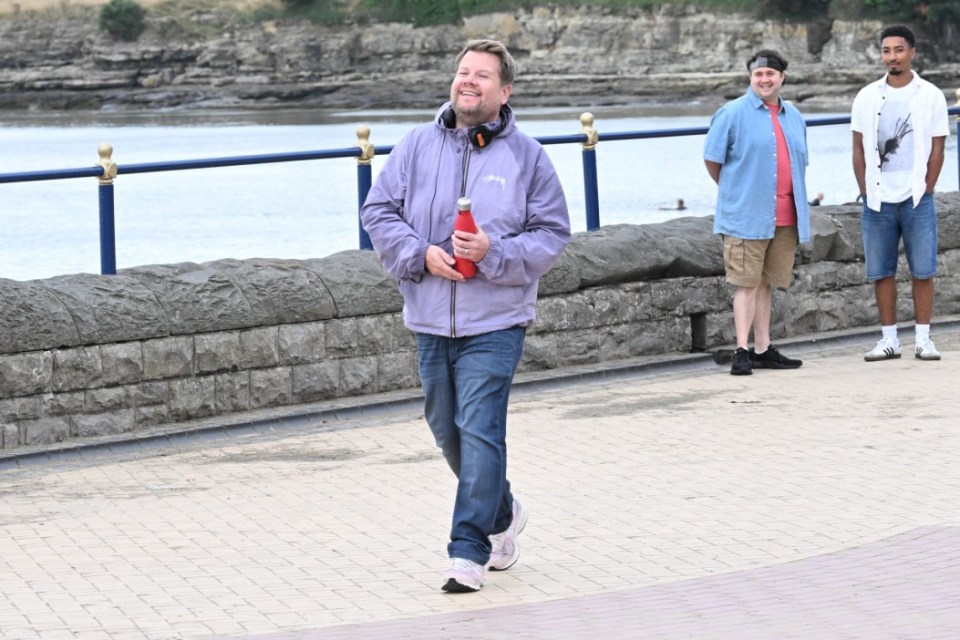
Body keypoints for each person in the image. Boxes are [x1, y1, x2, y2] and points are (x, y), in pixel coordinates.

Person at [360, 39, 571, 593]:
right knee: (446, 430)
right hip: (429, 317)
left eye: (482, 76)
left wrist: (493, 255)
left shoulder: (528, 157)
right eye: (462, 73)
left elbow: (552, 236)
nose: (468, 82)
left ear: (505, 91)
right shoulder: (415, 146)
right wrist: (420, 254)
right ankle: (502, 511)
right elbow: (378, 211)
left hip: (496, 322)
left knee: (480, 430)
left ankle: (467, 551)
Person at [703, 49, 811, 376]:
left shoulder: (794, 116)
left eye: (771, 74)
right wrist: (737, 192)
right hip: (745, 215)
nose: (765, 79)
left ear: (782, 77)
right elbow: (712, 160)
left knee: (767, 283)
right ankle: (741, 350)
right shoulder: (731, 113)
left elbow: (800, 162)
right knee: (746, 284)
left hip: (784, 214)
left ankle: (763, 348)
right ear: (751, 77)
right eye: (758, 75)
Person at [852, 24, 949, 362]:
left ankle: (923, 339)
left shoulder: (931, 95)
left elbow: (938, 148)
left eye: (898, 50)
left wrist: (927, 188)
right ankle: (889, 340)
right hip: (878, 199)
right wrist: (865, 191)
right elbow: (858, 149)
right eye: (886, 51)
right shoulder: (866, 96)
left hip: (916, 197)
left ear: (912, 53)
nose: (891, 57)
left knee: (923, 270)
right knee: (881, 270)